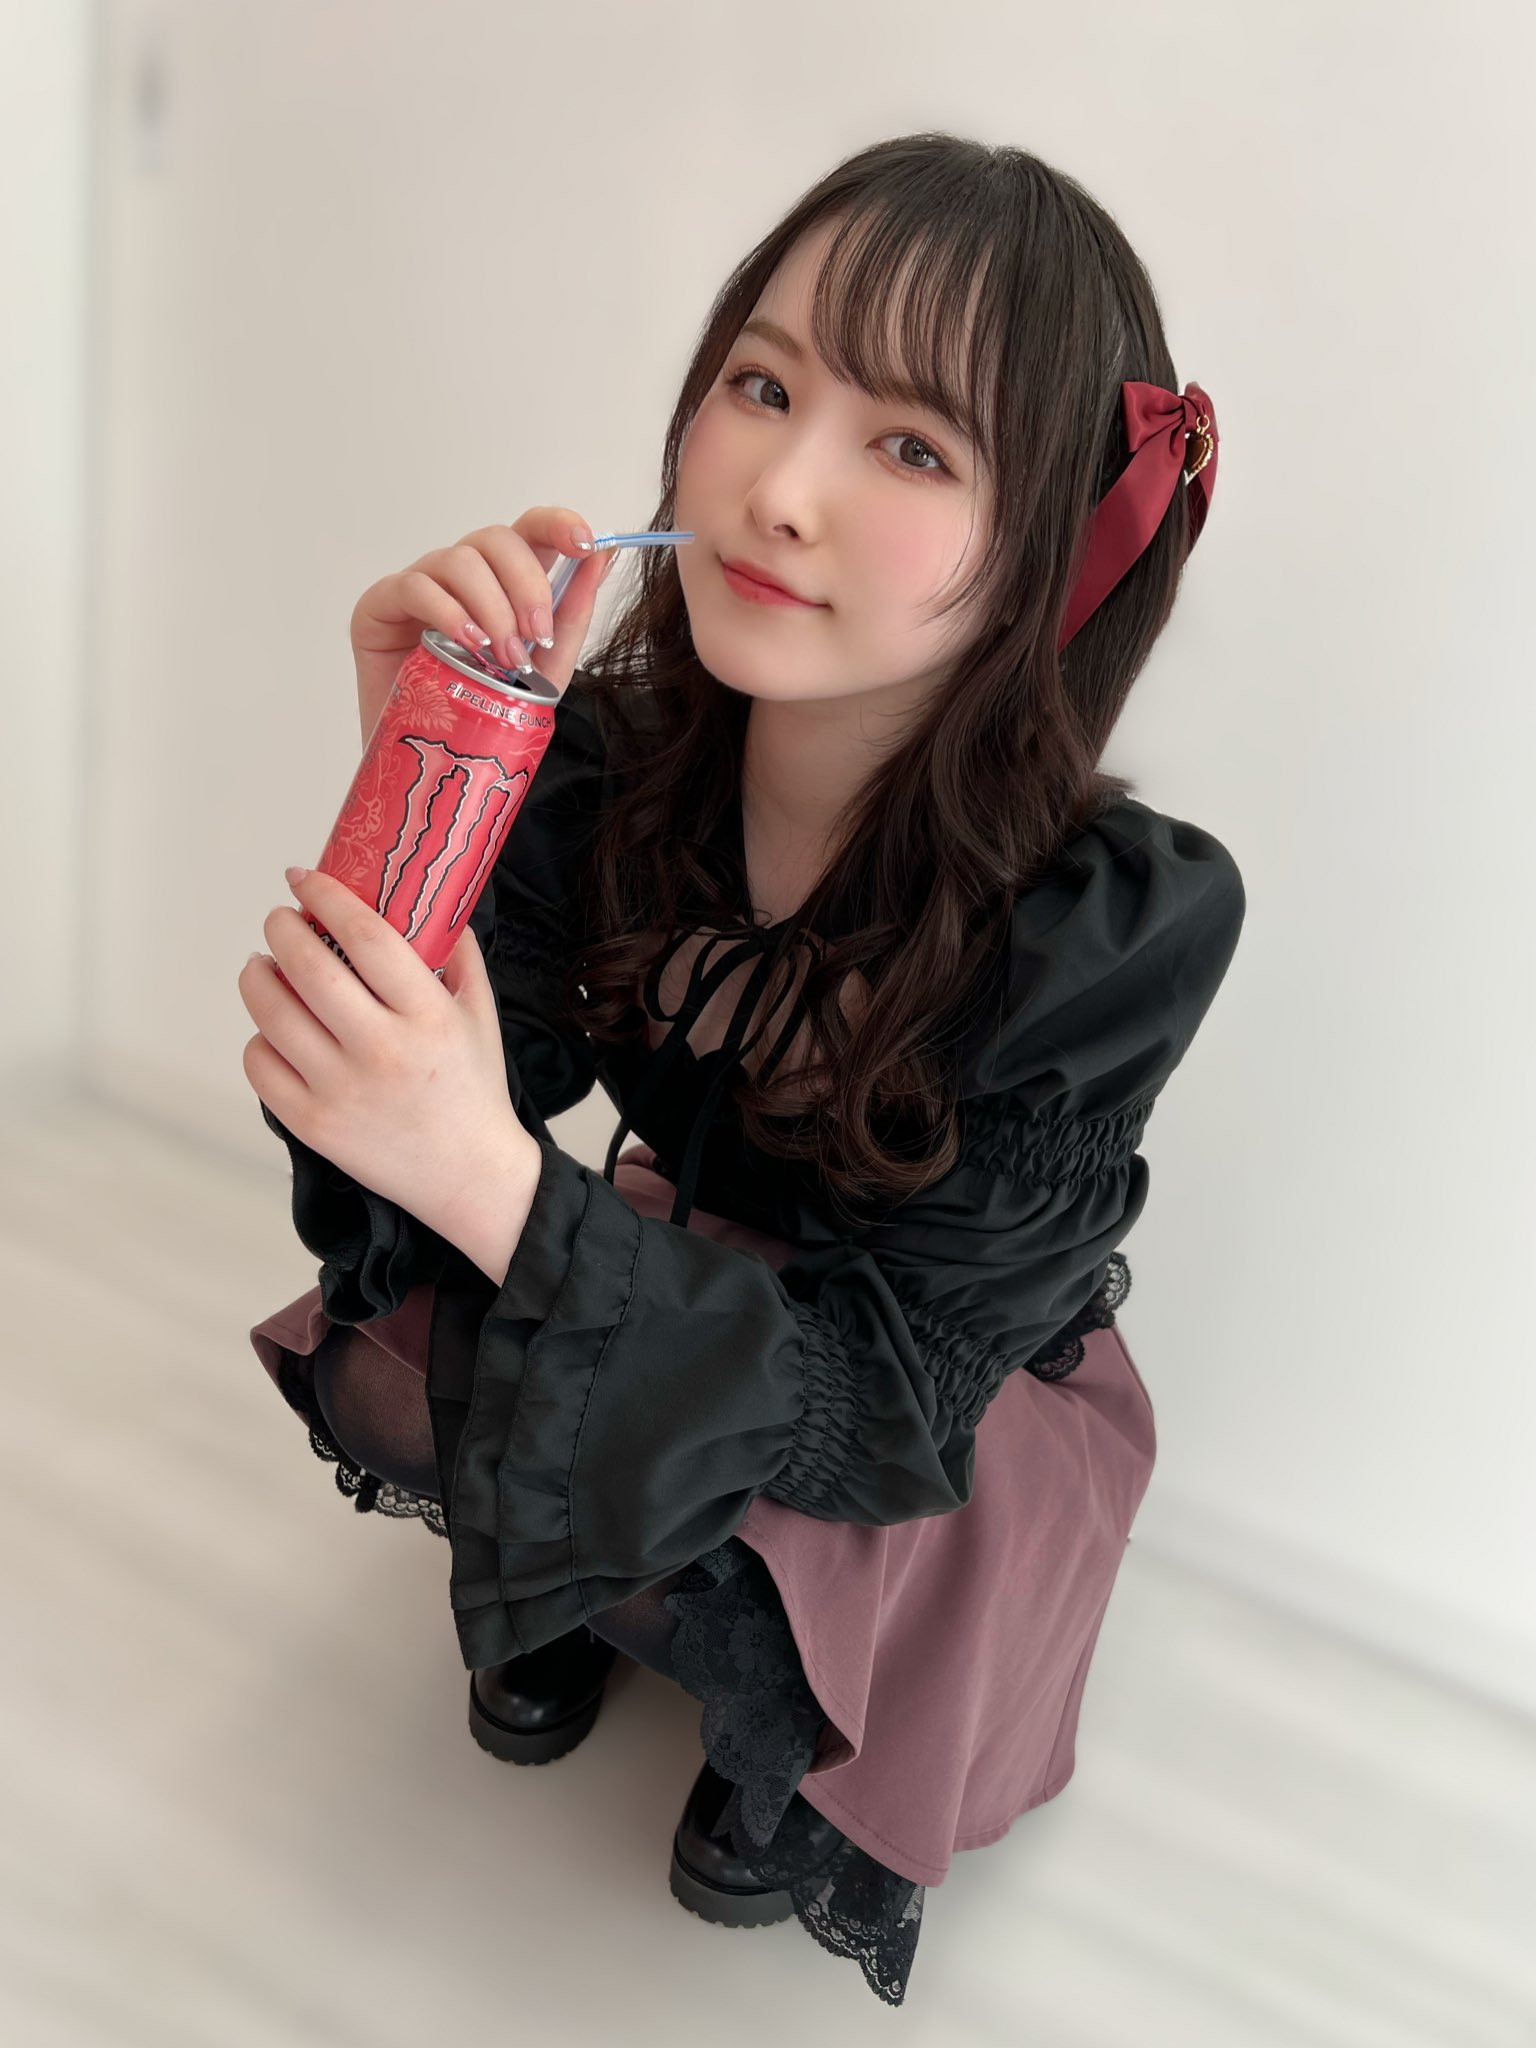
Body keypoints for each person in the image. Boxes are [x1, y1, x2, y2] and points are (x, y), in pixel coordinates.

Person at [243, 132, 1245, 2009]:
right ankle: (594, 1581)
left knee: (784, 1494)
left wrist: (488, 1179)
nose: (778, 491)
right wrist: (430, 778)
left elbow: (875, 1411)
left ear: (1055, 550)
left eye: (913, 448)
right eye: (764, 387)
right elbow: (422, 1098)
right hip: (680, 1258)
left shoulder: (1106, 922)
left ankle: (785, 1733)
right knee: (433, 1307)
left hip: (926, 1394)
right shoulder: (623, 765)